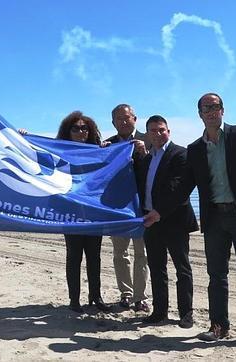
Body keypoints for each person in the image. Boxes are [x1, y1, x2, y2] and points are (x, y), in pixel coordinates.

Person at [176, 93, 236, 348]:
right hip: (214, 219)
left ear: (222, 110)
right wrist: (158, 208)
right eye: (205, 108)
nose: (210, 111)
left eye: (214, 106)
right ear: (199, 114)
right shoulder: (195, 148)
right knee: (216, 276)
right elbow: (184, 185)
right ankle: (219, 326)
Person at [136, 115, 197, 328]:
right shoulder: (145, 159)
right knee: (156, 268)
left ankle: (186, 313)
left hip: (175, 220)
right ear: (148, 134)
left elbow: (179, 188)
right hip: (150, 222)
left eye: (161, 130)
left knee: (182, 268)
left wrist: (158, 212)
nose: (158, 133)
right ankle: (159, 312)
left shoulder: (181, 154)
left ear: (168, 131)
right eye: (153, 130)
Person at [56, 111, 112, 313]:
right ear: (67, 131)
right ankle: (74, 299)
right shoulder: (60, 152)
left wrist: (107, 150)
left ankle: (95, 297)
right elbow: (38, 156)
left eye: (84, 128)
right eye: (76, 128)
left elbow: (112, 167)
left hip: (93, 213)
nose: (81, 131)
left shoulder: (97, 151)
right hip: (70, 213)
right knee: (74, 256)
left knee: (94, 256)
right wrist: (24, 137)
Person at [103, 104, 150, 312]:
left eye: (127, 117)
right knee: (120, 253)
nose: (123, 121)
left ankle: (140, 297)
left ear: (135, 119)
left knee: (142, 253)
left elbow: (159, 168)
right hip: (118, 208)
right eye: (118, 119)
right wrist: (101, 154)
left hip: (142, 207)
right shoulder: (108, 144)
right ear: (113, 123)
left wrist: (145, 152)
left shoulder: (149, 139)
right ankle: (126, 294)